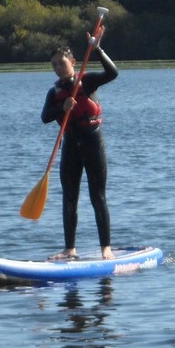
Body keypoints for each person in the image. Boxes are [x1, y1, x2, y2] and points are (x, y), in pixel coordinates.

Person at [41, 40, 119, 261]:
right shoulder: (53, 91)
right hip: (70, 146)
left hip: (93, 143)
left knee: (98, 197)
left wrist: (97, 50)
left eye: (61, 62)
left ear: (73, 62)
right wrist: (61, 107)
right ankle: (70, 249)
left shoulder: (88, 81)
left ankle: (106, 248)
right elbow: (45, 117)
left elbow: (113, 73)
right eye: (54, 64)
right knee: (69, 198)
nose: (57, 67)